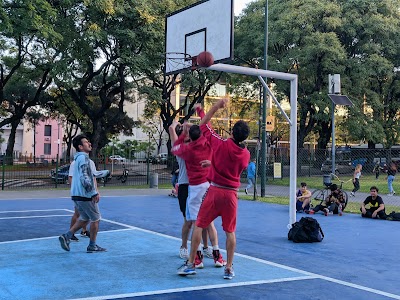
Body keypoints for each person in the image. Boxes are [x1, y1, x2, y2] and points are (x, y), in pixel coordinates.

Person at [177, 98, 250, 280]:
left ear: (232, 131)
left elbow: (203, 126)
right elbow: (230, 164)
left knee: (199, 225)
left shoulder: (220, 143)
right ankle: (229, 268)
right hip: (231, 195)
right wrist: (213, 162)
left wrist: (214, 108)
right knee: (230, 232)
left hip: (215, 191)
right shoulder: (246, 154)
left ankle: (192, 263)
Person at [171, 119, 225, 269]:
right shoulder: (208, 145)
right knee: (210, 223)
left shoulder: (186, 150)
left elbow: (175, 147)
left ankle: (198, 258)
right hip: (208, 186)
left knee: (197, 224)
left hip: (194, 189)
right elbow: (208, 128)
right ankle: (217, 256)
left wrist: (182, 133)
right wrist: (201, 115)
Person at [58, 134, 106, 253]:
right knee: (96, 218)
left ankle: (67, 236)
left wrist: (105, 173)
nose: (89, 143)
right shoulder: (83, 158)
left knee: (85, 218)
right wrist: (93, 192)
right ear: (80, 146)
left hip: (76, 195)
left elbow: (92, 174)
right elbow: (85, 178)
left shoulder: (79, 160)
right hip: (85, 195)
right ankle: (92, 245)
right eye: (86, 142)